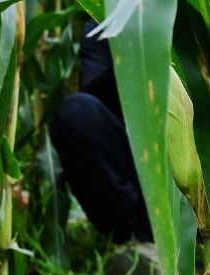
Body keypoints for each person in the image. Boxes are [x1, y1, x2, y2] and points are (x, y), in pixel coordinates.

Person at [48, 25, 152, 244]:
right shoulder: (102, 24)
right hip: (139, 167)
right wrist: (143, 52)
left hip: (203, 159)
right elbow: (95, 91)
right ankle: (135, 235)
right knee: (76, 114)